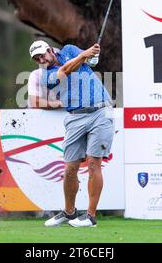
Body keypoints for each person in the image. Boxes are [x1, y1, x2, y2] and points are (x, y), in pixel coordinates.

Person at [29, 40, 114, 228]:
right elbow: (65, 71)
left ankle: (90, 216)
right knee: (69, 169)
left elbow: (91, 62)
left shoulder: (68, 49)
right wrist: (84, 55)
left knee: (94, 164)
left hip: (100, 111)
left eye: (42, 55)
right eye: (37, 59)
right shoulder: (47, 76)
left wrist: (93, 53)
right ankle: (69, 212)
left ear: (50, 50)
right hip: (75, 117)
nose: (41, 60)